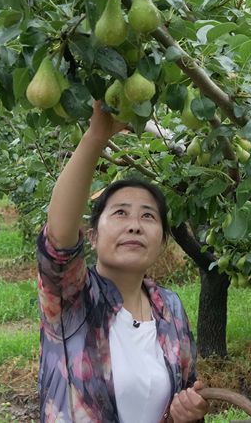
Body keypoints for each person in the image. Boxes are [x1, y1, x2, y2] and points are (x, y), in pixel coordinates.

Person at [37, 101, 209, 422]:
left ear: (162, 239)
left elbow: (179, 398)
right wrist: (96, 136)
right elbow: (58, 238)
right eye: (120, 213)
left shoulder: (169, 308)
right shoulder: (73, 298)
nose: (134, 225)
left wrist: (187, 413)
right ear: (92, 236)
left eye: (148, 216)